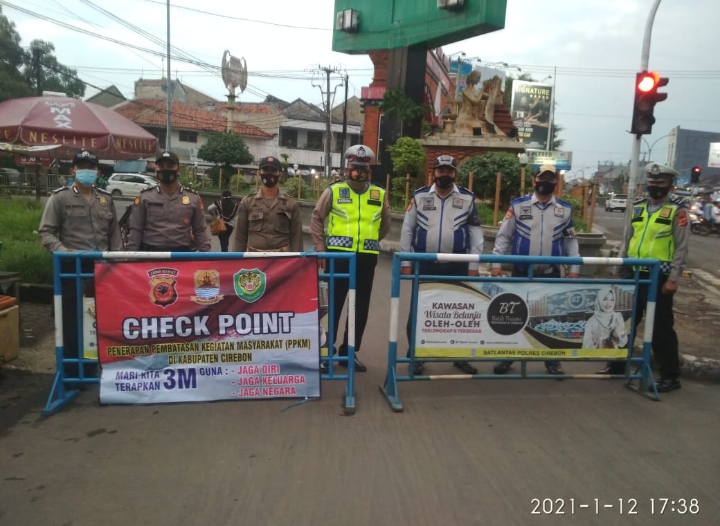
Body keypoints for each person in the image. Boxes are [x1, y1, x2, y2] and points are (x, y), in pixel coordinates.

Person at [598, 163, 689, 393]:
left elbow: (681, 248)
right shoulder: (638, 208)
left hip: (660, 276)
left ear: (670, 185)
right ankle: (618, 365)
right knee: (626, 321)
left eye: (660, 182)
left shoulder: (677, 211)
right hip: (633, 272)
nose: (655, 186)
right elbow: (627, 240)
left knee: (660, 328)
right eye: (652, 181)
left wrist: (674, 278)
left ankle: (670, 376)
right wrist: (619, 267)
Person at [38, 149, 123, 379]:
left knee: (101, 319)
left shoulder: (106, 199)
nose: (87, 171)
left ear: (98, 171)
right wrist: (66, 253)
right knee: (72, 321)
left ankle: (96, 367)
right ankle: (72, 372)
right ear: (72, 170)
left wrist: (117, 262)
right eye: (82, 166)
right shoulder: (60, 198)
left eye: (91, 167)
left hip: (102, 270)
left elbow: (115, 236)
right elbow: (46, 233)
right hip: (71, 270)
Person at [491, 164, 580, 375]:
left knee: (553, 318)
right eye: (542, 178)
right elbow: (504, 236)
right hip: (522, 272)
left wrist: (575, 268)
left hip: (551, 273)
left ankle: (552, 361)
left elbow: (571, 241)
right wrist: (496, 264)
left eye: (550, 179)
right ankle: (508, 357)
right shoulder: (518, 206)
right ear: (534, 181)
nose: (546, 182)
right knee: (515, 316)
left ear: (556, 183)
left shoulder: (564, 210)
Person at [311, 144, 391, 372]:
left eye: (363, 168)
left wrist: (370, 241)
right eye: (355, 167)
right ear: (347, 169)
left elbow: (384, 225)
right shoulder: (334, 191)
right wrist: (320, 248)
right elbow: (317, 217)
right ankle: (327, 352)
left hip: (366, 258)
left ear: (370, 171)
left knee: (360, 306)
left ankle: (349, 351)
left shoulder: (379, 194)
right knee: (333, 305)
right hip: (338, 256)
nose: (359, 172)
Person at [400, 155, 483, 375]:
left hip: (457, 265)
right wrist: (406, 260)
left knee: (460, 314)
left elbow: (476, 233)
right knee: (419, 312)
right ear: (434, 173)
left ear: (455, 174)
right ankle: (415, 355)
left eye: (449, 171)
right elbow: (408, 230)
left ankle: (460, 356)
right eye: (441, 171)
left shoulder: (467, 198)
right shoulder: (419, 197)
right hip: (425, 265)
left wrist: (474, 264)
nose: (444, 175)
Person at [126, 150, 211, 252]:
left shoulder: (193, 198)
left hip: (181, 255)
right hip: (151, 255)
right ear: (155, 170)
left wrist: (206, 258)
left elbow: (200, 231)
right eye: (161, 166)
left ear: (178, 170)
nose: (165, 169)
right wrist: (130, 258)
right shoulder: (144, 197)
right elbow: (136, 230)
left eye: (170, 166)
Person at [232, 156, 303, 253]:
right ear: (259, 173)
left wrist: (297, 262)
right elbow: (239, 236)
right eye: (265, 170)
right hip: (255, 259)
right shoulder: (248, 202)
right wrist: (236, 261)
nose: (269, 174)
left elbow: (296, 237)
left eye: (273, 170)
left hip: (281, 261)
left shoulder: (291, 204)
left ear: (280, 175)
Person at [582, 286, 629, 350]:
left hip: (613, 356)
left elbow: (623, 343)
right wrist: (594, 342)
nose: (609, 303)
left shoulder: (617, 317)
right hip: (597, 357)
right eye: (605, 299)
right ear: (599, 300)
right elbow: (585, 348)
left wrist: (619, 334)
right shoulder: (591, 321)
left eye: (612, 300)